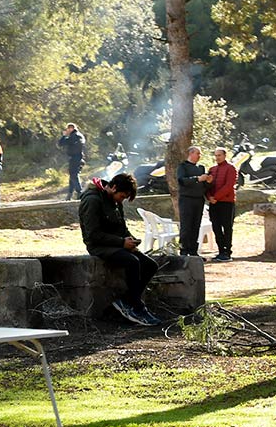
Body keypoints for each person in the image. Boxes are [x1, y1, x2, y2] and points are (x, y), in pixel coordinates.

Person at [78, 173, 160, 326]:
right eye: (122, 196)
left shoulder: (115, 201)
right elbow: (93, 234)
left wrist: (131, 240)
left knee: (150, 265)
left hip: (117, 244)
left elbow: (121, 227)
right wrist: (121, 243)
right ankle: (136, 306)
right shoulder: (92, 200)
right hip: (99, 247)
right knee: (132, 262)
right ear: (113, 187)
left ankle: (127, 302)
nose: (122, 200)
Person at [175, 146, 210, 256]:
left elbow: (204, 185)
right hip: (186, 200)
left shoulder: (201, 167)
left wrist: (208, 181)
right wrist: (197, 179)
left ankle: (193, 251)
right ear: (191, 153)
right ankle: (184, 251)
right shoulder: (183, 166)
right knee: (186, 226)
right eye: (197, 153)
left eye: (200, 154)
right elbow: (182, 181)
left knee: (196, 225)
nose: (199, 156)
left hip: (199, 200)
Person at [206, 146, 237, 262]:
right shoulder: (212, 169)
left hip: (226, 202)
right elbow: (207, 185)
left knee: (227, 227)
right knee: (216, 227)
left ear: (224, 156)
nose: (217, 157)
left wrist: (216, 197)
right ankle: (220, 250)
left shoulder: (231, 168)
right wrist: (209, 197)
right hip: (214, 203)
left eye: (219, 155)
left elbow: (229, 185)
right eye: (216, 155)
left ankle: (227, 251)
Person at [58, 123, 86, 200]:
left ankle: (79, 192)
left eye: (70, 128)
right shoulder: (76, 136)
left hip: (76, 158)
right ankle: (69, 195)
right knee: (72, 175)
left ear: (73, 128)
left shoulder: (75, 136)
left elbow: (61, 143)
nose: (68, 130)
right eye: (68, 128)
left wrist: (64, 136)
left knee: (74, 175)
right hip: (77, 158)